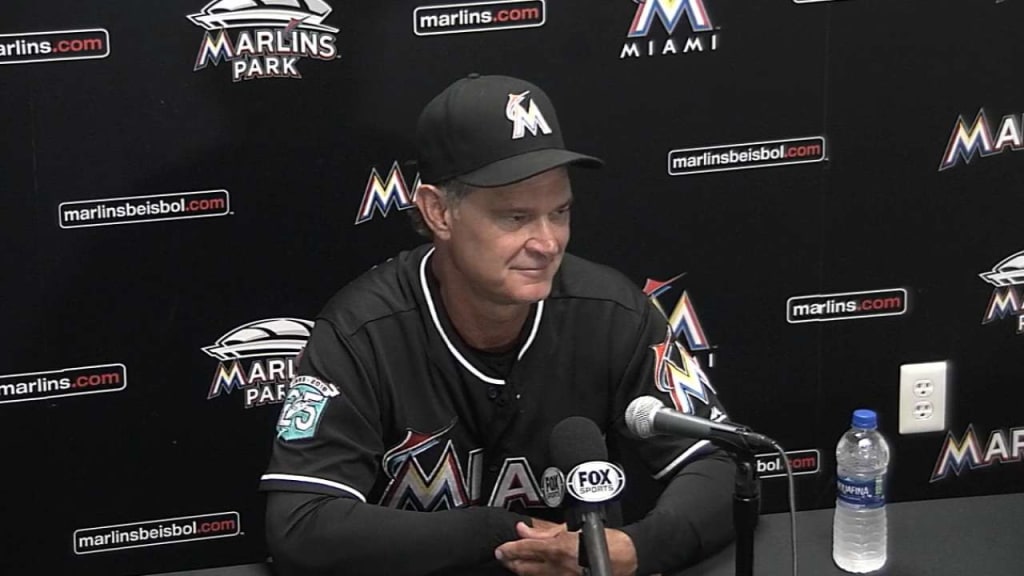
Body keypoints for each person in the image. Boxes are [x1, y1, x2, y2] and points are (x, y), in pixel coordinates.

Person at [261, 73, 734, 576]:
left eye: (561, 211)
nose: (548, 242)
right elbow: (301, 525)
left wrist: (639, 548)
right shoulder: (363, 333)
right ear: (438, 212)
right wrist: (501, 534)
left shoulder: (613, 312)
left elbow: (726, 463)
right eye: (516, 218)